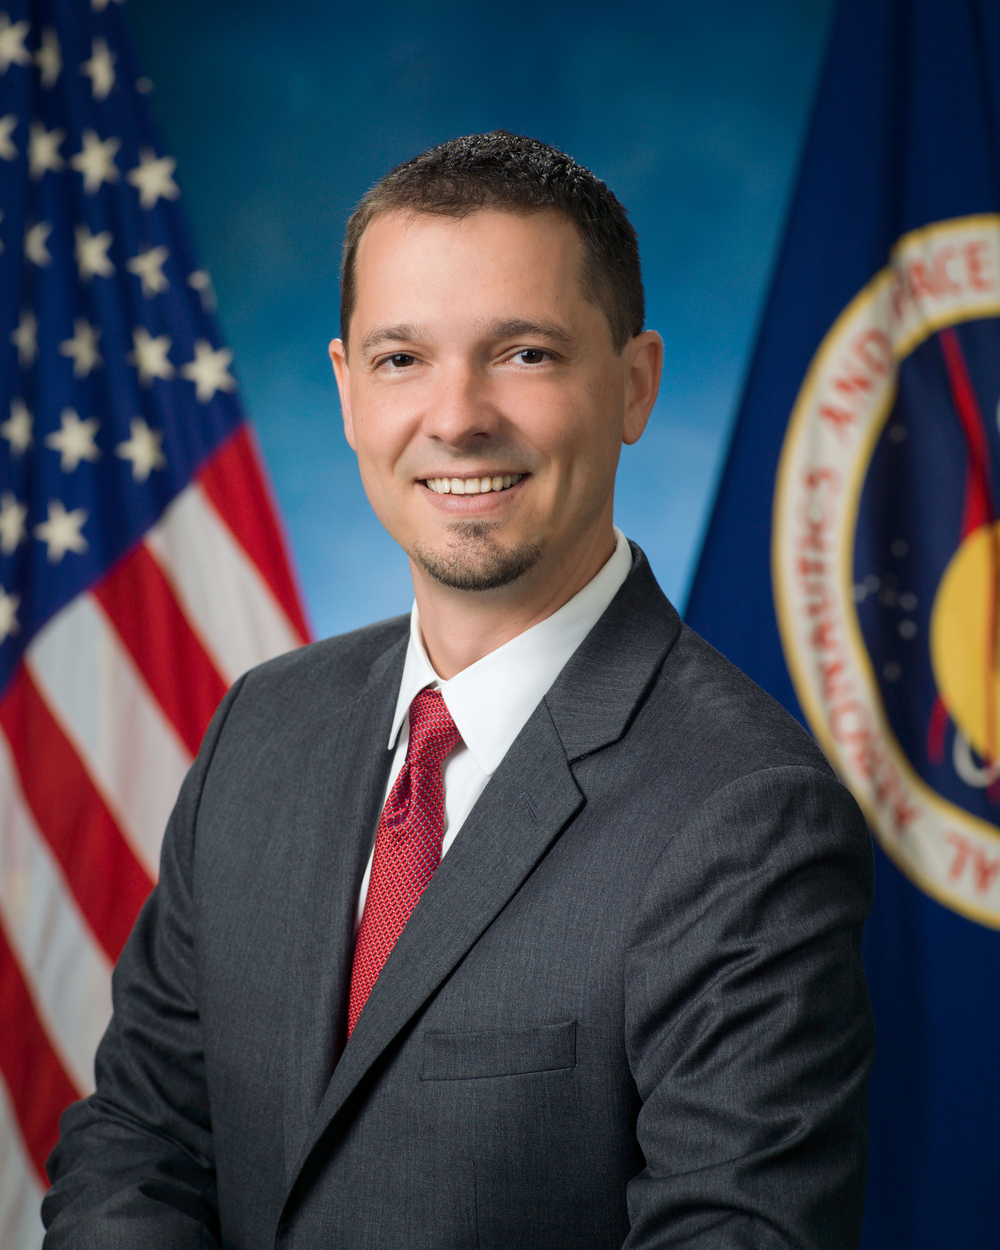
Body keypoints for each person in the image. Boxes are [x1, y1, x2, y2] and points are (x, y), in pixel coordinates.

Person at [42, 132, 875, 1250]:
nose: (456, 416)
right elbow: (138, 1138)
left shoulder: (748, 808)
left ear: (633, 386)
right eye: (401, 359)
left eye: (522, 353)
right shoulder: (261, 727)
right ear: (345, 392)